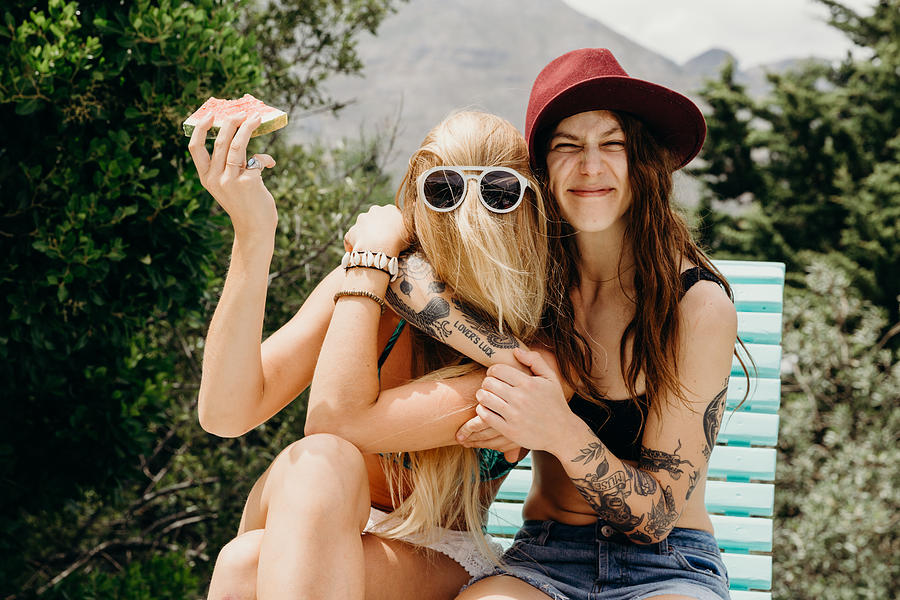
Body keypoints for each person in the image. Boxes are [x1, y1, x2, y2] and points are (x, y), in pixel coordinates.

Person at [389, 48, 740, 600]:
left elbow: (656, 517)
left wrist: (557, 427)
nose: (590, 166)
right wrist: (513, 361)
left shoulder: (693, 304)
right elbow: (405, 272)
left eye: (611, 145)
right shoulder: (530, 279)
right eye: (567, 147)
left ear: (641, 161)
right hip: (546, 555)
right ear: (540, 172)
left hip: (668, 564)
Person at [187, 109, 552, 599]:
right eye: (442, 191)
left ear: (532, 205)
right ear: (414, 201)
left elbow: (335, 418)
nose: (469, 214)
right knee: (320, 462)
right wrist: (253, 232)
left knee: (241, 566)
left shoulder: (539, 330)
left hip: (435, 547)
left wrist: (366, 265)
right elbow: (225, 413)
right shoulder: (370, 284)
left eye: (499, 193)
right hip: (316, 508)